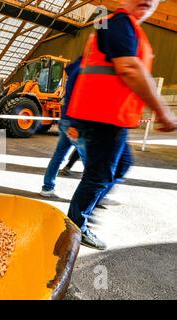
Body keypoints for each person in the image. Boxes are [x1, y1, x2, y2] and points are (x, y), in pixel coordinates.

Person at [66, 0, 177, 250]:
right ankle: (75, 226)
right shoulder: (119, 23)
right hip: (102, 116)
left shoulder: (122, 26)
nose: (147, 1)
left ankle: (83, 212)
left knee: (120, 166)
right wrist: (162, 110)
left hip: (108, 116)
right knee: (98, 176)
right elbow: (129, 68)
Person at [40, 56, 87, 198]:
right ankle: (92, 196)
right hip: (76, 122)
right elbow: (78, 98)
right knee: (90, 163)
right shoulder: (85, 70)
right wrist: (74, 124)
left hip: (66, 119)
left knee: (58, 156)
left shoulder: (74, 69)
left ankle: (47, 187)